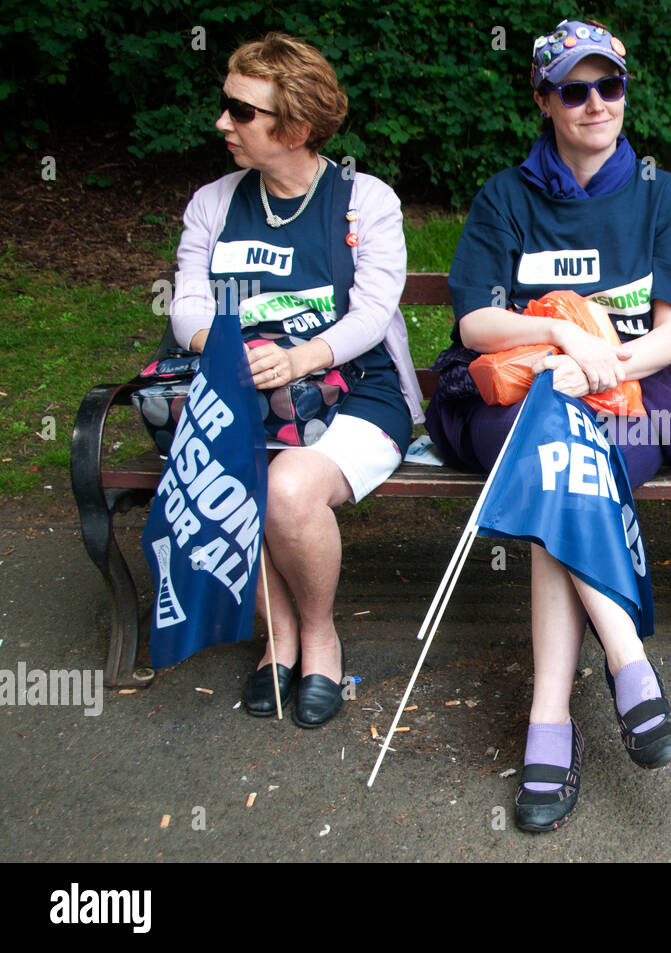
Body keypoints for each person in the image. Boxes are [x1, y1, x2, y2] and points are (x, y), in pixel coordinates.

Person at [426, 18, 671, 832]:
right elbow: (475, 326)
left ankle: (550, 722)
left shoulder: (663, 195)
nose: (596, 103)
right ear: (544, 99)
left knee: (563, 478)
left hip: (626, 403)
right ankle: (629, 667)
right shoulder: (506, 197)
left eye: (610, 85)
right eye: (575, 88)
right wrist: (561, 339)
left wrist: (603, 367)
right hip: (515, 401)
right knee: (560, 465)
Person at [169, 33, 424, 728]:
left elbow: (373, 312)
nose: (223, 122)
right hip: (242, 388)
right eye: (227, 105)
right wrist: (222, 348)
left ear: (298, 128)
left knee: (286, 489)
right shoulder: (214, 203)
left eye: (242, 112)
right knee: (225, 475)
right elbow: (187, 304)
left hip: (360, 390)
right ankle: (276, 637)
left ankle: (319, 635)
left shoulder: (362, 201)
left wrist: (301, 356)